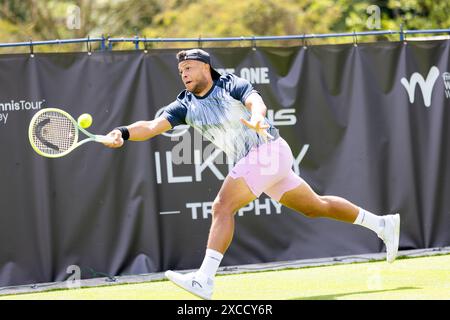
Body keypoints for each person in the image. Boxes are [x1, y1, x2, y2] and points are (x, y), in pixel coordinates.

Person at [104, 48, 400, 300]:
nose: (184, 74)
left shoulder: (229, 83)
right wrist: (123, 132)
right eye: (181, 70)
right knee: (315, 207)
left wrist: (257, 116)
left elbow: (253, 100)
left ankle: (204, 279)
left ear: (205, 67)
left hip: (268, 151)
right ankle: (382, 224)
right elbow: (152, 126)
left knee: (221, 206)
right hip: (268, 162)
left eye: (189, 67)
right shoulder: (185, 104)